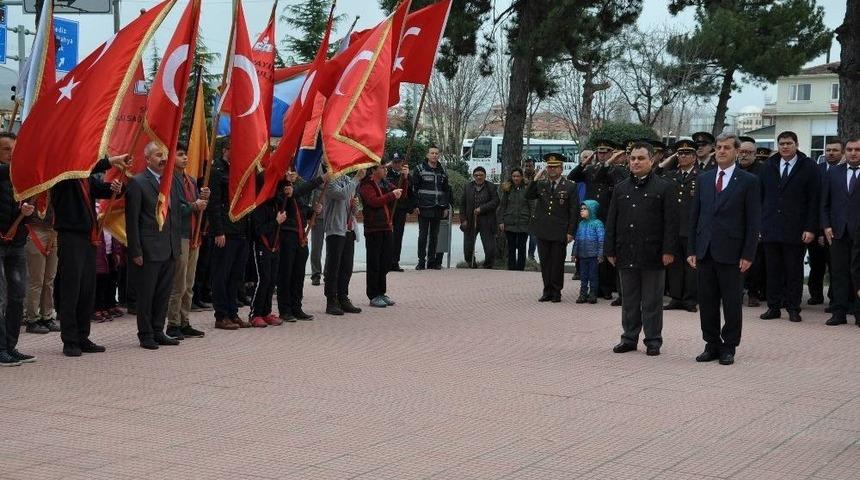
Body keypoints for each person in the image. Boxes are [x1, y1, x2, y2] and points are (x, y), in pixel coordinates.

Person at [688, 133, 761, 366]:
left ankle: (729, 346)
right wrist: (692, 249)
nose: (721, 151)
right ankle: (711, 344)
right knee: (707, 301)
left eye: (726, 148)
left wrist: (748, 254)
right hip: (705, 250)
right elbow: (695, 217)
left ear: (737, 152)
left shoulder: (748, 181)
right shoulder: (704, 179)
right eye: (718, 147)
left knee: (731, 303)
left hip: (732, 252)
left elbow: (753, 221)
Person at [51, 153, 128, 357]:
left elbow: (101, 189)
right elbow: (82, 165)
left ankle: (83, 336)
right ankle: (70, 340)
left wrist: (116, 188)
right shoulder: (63, 174)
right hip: (71, 236)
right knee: (71, 288)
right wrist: (109, 161)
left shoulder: (86, 177)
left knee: (87, 289)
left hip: (89, 237)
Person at [605, 141, 678, 356]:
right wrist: (609, 249)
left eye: (641, 158)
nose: (635, 162)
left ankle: (653, 340)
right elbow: (612, 221)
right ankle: (629, 338)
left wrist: (669, 250)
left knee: (652, 300)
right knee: (629, 299)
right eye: (633, 158)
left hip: (653, 253)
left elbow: (671, 223)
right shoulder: (621, 188)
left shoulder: (664, 187)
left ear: (652, 159)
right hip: (626, 251)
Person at [125, 142, 183, 350]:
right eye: (159, 155)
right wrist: (136, 250)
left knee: (163, 293)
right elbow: (132, 221)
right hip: (148, 249)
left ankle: (159, 330)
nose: (163, 159)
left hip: (169, 247)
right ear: (148, 158)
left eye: (165, 155)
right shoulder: (138, 182)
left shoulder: (171, 181)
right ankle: (146, 333)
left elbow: (175, 212)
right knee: (147, 294)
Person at [759, 131, 820, 323]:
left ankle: (793, 308)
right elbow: (760, 197)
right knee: (772, 270)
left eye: (789, 143)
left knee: (793, 271)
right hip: (770, 227)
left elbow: (814, 200)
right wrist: (759, 225)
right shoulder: (768, 166)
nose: (785, 147)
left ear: (796, 144)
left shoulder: (808, 166)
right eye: (782, 143)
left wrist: (810, 228)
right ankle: (773, 307)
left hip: (796, 228)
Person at [0, 132, 37, 366]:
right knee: (0, 298)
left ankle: (11, 346)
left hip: (17, 243)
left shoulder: (20, 178)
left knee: (17, 296)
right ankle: (1, 348)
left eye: (14, 149)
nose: (11, 153)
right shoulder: (6, 173)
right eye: (6, 149)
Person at [166, 143, 209, 339]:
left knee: (189, 283)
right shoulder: (169, 180)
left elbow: (196, 205)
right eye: (180, 155)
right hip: (179, 235)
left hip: (193, 235)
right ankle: (172, 323)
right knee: (179, 283)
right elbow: (175, 208)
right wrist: (195, 205)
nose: (185, 158)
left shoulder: (191, 180)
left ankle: (185, 321)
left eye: (186, 155)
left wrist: (203, 198)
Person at [208, 139, 251, 330]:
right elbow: (214, 203)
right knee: (221, 275)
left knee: (236, 276)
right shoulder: (217, 170)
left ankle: (233, 313)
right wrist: (218, 230)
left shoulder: (240, 170)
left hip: (240, 230)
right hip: (224, 231)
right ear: (226, 150)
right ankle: (221, 315)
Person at [526, 153, 577, 302]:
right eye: (549, 167)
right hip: (543, 229)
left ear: (561, 169)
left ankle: (556, 291)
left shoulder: (570, 186)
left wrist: (571, 232)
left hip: (560, 230)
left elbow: (573, 211)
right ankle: (546, 289)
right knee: (545, 261)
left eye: (555, 167)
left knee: (557, 262)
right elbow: (528, 195)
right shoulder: (541, 184)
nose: (552, 170)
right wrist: (535, 179)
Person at [276, 169, 326, 322]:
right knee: (286, 274)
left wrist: (313, 212)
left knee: (298, 274)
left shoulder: (297, 188)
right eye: (290, 171)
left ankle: (296, 307)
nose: (293, 174)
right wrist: (320, 179)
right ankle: (285, 310)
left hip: (300, 235)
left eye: (295, 172)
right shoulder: (282, 187)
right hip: (287, 234)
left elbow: (302, 210)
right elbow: (293, 194)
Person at [821, 137, 860, 326]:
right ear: (845, 151)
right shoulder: (833, 173)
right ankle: (839, 312)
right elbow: (825, 203)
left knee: (858, 273)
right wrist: (826, 226)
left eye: (858, 150)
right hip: (837, 232)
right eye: (850, 149)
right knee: (838, 273)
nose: (854, 153)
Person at [359, 163, 402, 307]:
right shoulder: (366, 185)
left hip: (386, 227)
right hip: (373, 229)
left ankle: (381, 292)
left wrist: (405, 178)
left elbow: (400, 193)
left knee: (386, 261)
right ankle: (373, 294)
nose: (385, 170)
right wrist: (391, 195)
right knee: (374, 263)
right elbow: (373, 202)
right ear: (374, 170)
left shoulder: (385, 183)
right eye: (382, 168)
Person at [663, 139, 699, 313]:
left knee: (691, 265)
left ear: (694, 156)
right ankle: (676, 297)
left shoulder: (702, 176)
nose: (683, 156)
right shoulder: (670, 176)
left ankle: (690, 299)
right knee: (674, 265)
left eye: (687, 154)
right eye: (680, 154)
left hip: (693, 228)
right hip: (673, 228)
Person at [808, 139, 844, 306]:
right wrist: (818, 229)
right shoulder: (817, 170)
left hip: (837, 227)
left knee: (836, 266)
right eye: (828, 150)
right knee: (816, 264)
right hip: (816, 224)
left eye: (835, 150)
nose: (831, 153)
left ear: (842, 152)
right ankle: (815, 295)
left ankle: (835, 298)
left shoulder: (846, 171)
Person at [324, 170, 365, 315]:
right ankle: (331, 300)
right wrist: (356, 179)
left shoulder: (348, 179)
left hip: (349, 228)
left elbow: (352, 207)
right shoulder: (331, 179)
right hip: (336, 228)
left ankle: (343, 297)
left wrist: (355, 205)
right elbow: (340, 195)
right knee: (334, 266)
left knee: (347, 266)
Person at [249, 176, 286, 328]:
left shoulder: (276, 203)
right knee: (263, 280)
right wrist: (276, 222)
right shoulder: (258, 206)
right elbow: (258, 230)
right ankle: (255, 313)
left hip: (274, 246)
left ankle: (266, 311)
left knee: (272, 280)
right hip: (262, 246)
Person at [411, 146, 451, 270]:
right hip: (423, 207)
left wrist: (445, 206)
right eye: (432, 153)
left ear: (439, 155)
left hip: (438, 207)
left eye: (436, 153)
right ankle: (421, 261)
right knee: (423, 236)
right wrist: (415, 205)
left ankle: (432, 261)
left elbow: (446, 190)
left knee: (435, 236)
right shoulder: (419, 169)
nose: (434, 155)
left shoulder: (443, 170)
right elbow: (414, 189)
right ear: (427, 155)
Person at [23, 202, 61, 334]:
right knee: (36, 279)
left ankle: (47, 316)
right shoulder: (34, 180)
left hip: (54, 230)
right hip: (36, 228)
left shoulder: (58, 182)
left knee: (50, 279)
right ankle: (32, 319)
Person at [737, 137, 766, 307]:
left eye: (748, 152)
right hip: (736, 220)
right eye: (742, 152)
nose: (744, 155)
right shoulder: (734, 169)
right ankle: (737, 291)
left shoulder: (763, 171)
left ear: (755, 154)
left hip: (757, 219)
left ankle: (754, 292)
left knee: (755, 260)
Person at [461, 166, 499, 268]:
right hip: (470, 220)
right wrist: (463, 219)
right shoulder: (467, 187)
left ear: (485, 176)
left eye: (481, 175)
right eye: (476, 175)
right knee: (468, 246)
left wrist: (481, 209)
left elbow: (495, 202)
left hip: (487, 220)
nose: (478, 177)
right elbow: (462, 204)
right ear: (473, 176)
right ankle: (471, 263)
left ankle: (488, 265)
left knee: (490, 246)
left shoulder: (491, 187)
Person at [498, 167, 532, 271]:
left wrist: (531, 220)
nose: (516, 178)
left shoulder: (527, 188)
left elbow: (532, 206)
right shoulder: (507, 189)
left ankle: (520, 268)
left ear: (522, 177)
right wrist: (501, 221)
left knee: (522, 247)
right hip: (510, 222)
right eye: (514, 176)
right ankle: (511, 268)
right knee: (511, 248)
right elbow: (502, 206)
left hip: (523, 222)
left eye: (518, 176)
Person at [573, 199, 604, 304]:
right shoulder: (581, 224)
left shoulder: (598, 224)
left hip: (593, 256)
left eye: (585, 209)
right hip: (582, 256)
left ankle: (593, 294)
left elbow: (601, 240)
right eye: (581, 209)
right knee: (583, 276)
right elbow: (577, 239)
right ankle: (583, 294)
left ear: (592, 210)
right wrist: (574, 253)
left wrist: (600, 254)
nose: (582, 211)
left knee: (593, 275)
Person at [386, 154, 411, 272]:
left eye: (399, 162)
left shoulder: (405, 175)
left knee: (398, 236)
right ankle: (386, 261)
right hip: (389, 208)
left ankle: (395, 262)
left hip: (400, 208)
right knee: (388, 235)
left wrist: (406, 177)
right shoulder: (386, 174)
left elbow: (409, 192)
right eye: (394, 162)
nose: (397, 165)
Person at [309, 165, 326, 286]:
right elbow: (310, 187)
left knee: (333, 246)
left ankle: (329, 273)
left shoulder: (337, 163)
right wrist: (311, 215)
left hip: (332, 211)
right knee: (316, 246)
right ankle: (316, 273)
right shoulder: (316, 166)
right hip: (317, 210)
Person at [523, 158, 538, 260]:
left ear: (534, 166)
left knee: (533, 236)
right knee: (522, 236)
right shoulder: (520, 176)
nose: (528, 168)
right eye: (526, 166)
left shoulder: (539, 176)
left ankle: (531, 256)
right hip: (523, 210)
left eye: (530, 166)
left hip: (535, 210)